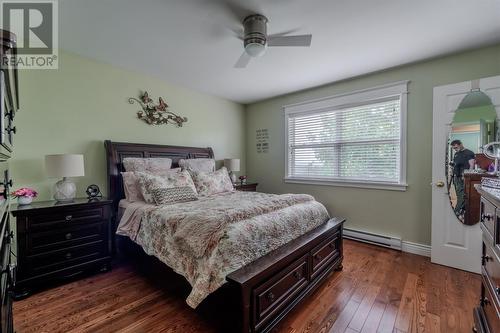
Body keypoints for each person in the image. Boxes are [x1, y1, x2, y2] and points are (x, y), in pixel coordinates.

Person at [450, 139, 476, 217]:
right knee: (459, 194)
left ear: (461, 144)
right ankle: (462, 211)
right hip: (456, 177)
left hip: (463, 177)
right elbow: (456, 164)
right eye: (454, 148)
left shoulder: (469, 153)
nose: (455, 149)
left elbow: (472, 166)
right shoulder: (456, 154)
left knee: (462, 195)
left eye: (456, 147)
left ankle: (456, 212)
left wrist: (467, 177)